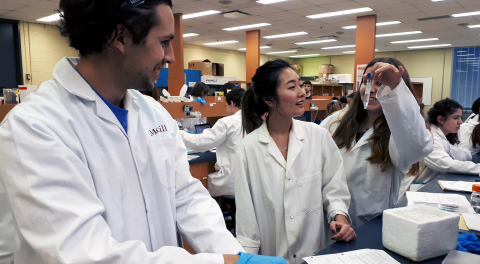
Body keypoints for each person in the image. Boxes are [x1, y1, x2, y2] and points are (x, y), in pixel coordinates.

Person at [0, 1, 287, 263]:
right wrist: (225, 263)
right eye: (164, 42)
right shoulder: (36, 126)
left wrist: (231, 251)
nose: (172, 57)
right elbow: (83, 253)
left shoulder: (151, 112)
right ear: (120, 37)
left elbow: (185, 197)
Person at [234, 59, 355, 264]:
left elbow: (334, 187)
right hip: (272, 256)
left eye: (301, 84)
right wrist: (250, 259)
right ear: (269, 99)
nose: (302, 92)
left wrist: (339, 218)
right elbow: (247, 220)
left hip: (316, 251)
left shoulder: (317, 136)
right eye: (292, 87)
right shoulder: (248, 149)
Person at [320, 57, 433, 228]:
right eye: (368, 81)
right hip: (327, 221)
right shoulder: (336, 121)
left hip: (369, 227)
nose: (372, 90)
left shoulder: (401, 132)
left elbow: (418, 148)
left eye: (381, 84)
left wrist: (395, 93)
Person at [401, 98, 480, 193]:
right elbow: (446, 164)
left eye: (460, 117)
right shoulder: (429, 137)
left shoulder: (443, 137)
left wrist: (451, 151)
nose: (461, 122)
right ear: (440, 119)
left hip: (429, 184)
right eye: (456, 118)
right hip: (414, 189)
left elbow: (465, 155)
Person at [180, 88, 245, 197]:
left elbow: (201, 143)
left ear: (232, 103)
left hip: (232, 182)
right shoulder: (255, 120)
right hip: (250, 182)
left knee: (202, 184)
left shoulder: (227, 122)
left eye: (226, 105)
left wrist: (180, 134)